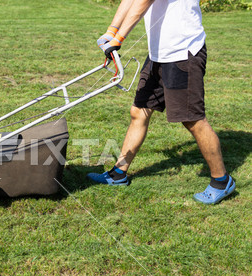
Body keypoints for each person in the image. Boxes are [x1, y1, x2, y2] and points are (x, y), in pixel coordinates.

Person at [87, 0, 235, 204]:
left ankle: (221, 180)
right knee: (139, 112)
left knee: (192, 120)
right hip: (159, 54)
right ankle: (119, 174)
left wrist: (119, 37)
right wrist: (111, 30)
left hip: (183, 52)